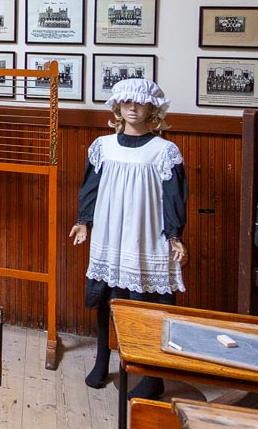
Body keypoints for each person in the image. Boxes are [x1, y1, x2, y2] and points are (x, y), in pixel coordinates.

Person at [68, 78, 187, 399]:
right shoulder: (102, 146)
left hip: (145, 234)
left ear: (152, 108)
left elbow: (173, 196)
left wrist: (175, 235)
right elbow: (90, 187)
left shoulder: (165, 151)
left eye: (140, 103)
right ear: (117, 106)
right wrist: (83, 221)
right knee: (108, 299)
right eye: (127, 102)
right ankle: (102, 358)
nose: (133, 108)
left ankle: (152, 373)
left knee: (147, 304)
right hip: (110, 232)